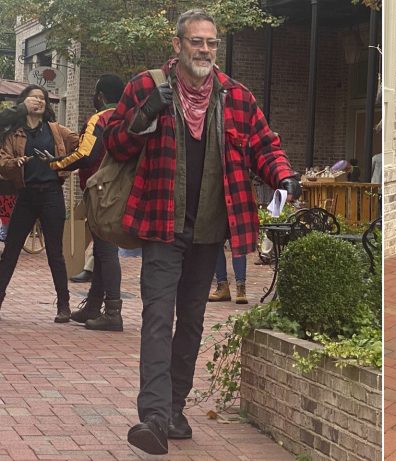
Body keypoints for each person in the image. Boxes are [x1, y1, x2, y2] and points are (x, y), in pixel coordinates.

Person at [103, 9, 301, 455]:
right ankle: (154, 417)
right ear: (178, 45)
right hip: (161, 224)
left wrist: (283, 175)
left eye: (211, 42)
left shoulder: (236, 96)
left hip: (210, 230)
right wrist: (144, 115)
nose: (205, 50)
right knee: (158, 318)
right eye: (196, 41)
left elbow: (263, 145)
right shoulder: (147, 86)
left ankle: (175, 408)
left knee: (191, 321)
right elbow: (113, 143)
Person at [50, 74, 126, 331]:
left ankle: (113, 311)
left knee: (106, 251)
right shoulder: (128, 117)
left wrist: (56, 164)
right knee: (103, 252)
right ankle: (94, 306)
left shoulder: (100, 118)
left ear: (100, 96)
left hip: (100, 190)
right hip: (122, 190)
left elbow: (86, 154)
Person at [0, 84, 78, 322]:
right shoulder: (14, 132)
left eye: (43, 98)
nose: (39, 101)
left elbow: (82, 146)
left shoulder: (55, 130)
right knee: (11, 250)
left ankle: (64, 305)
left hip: (52, 194)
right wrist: (14, 163)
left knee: (55, 253)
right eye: (34, 98)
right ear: (24, 102)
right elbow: (3, 161)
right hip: (26, 195)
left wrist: (64, 162)